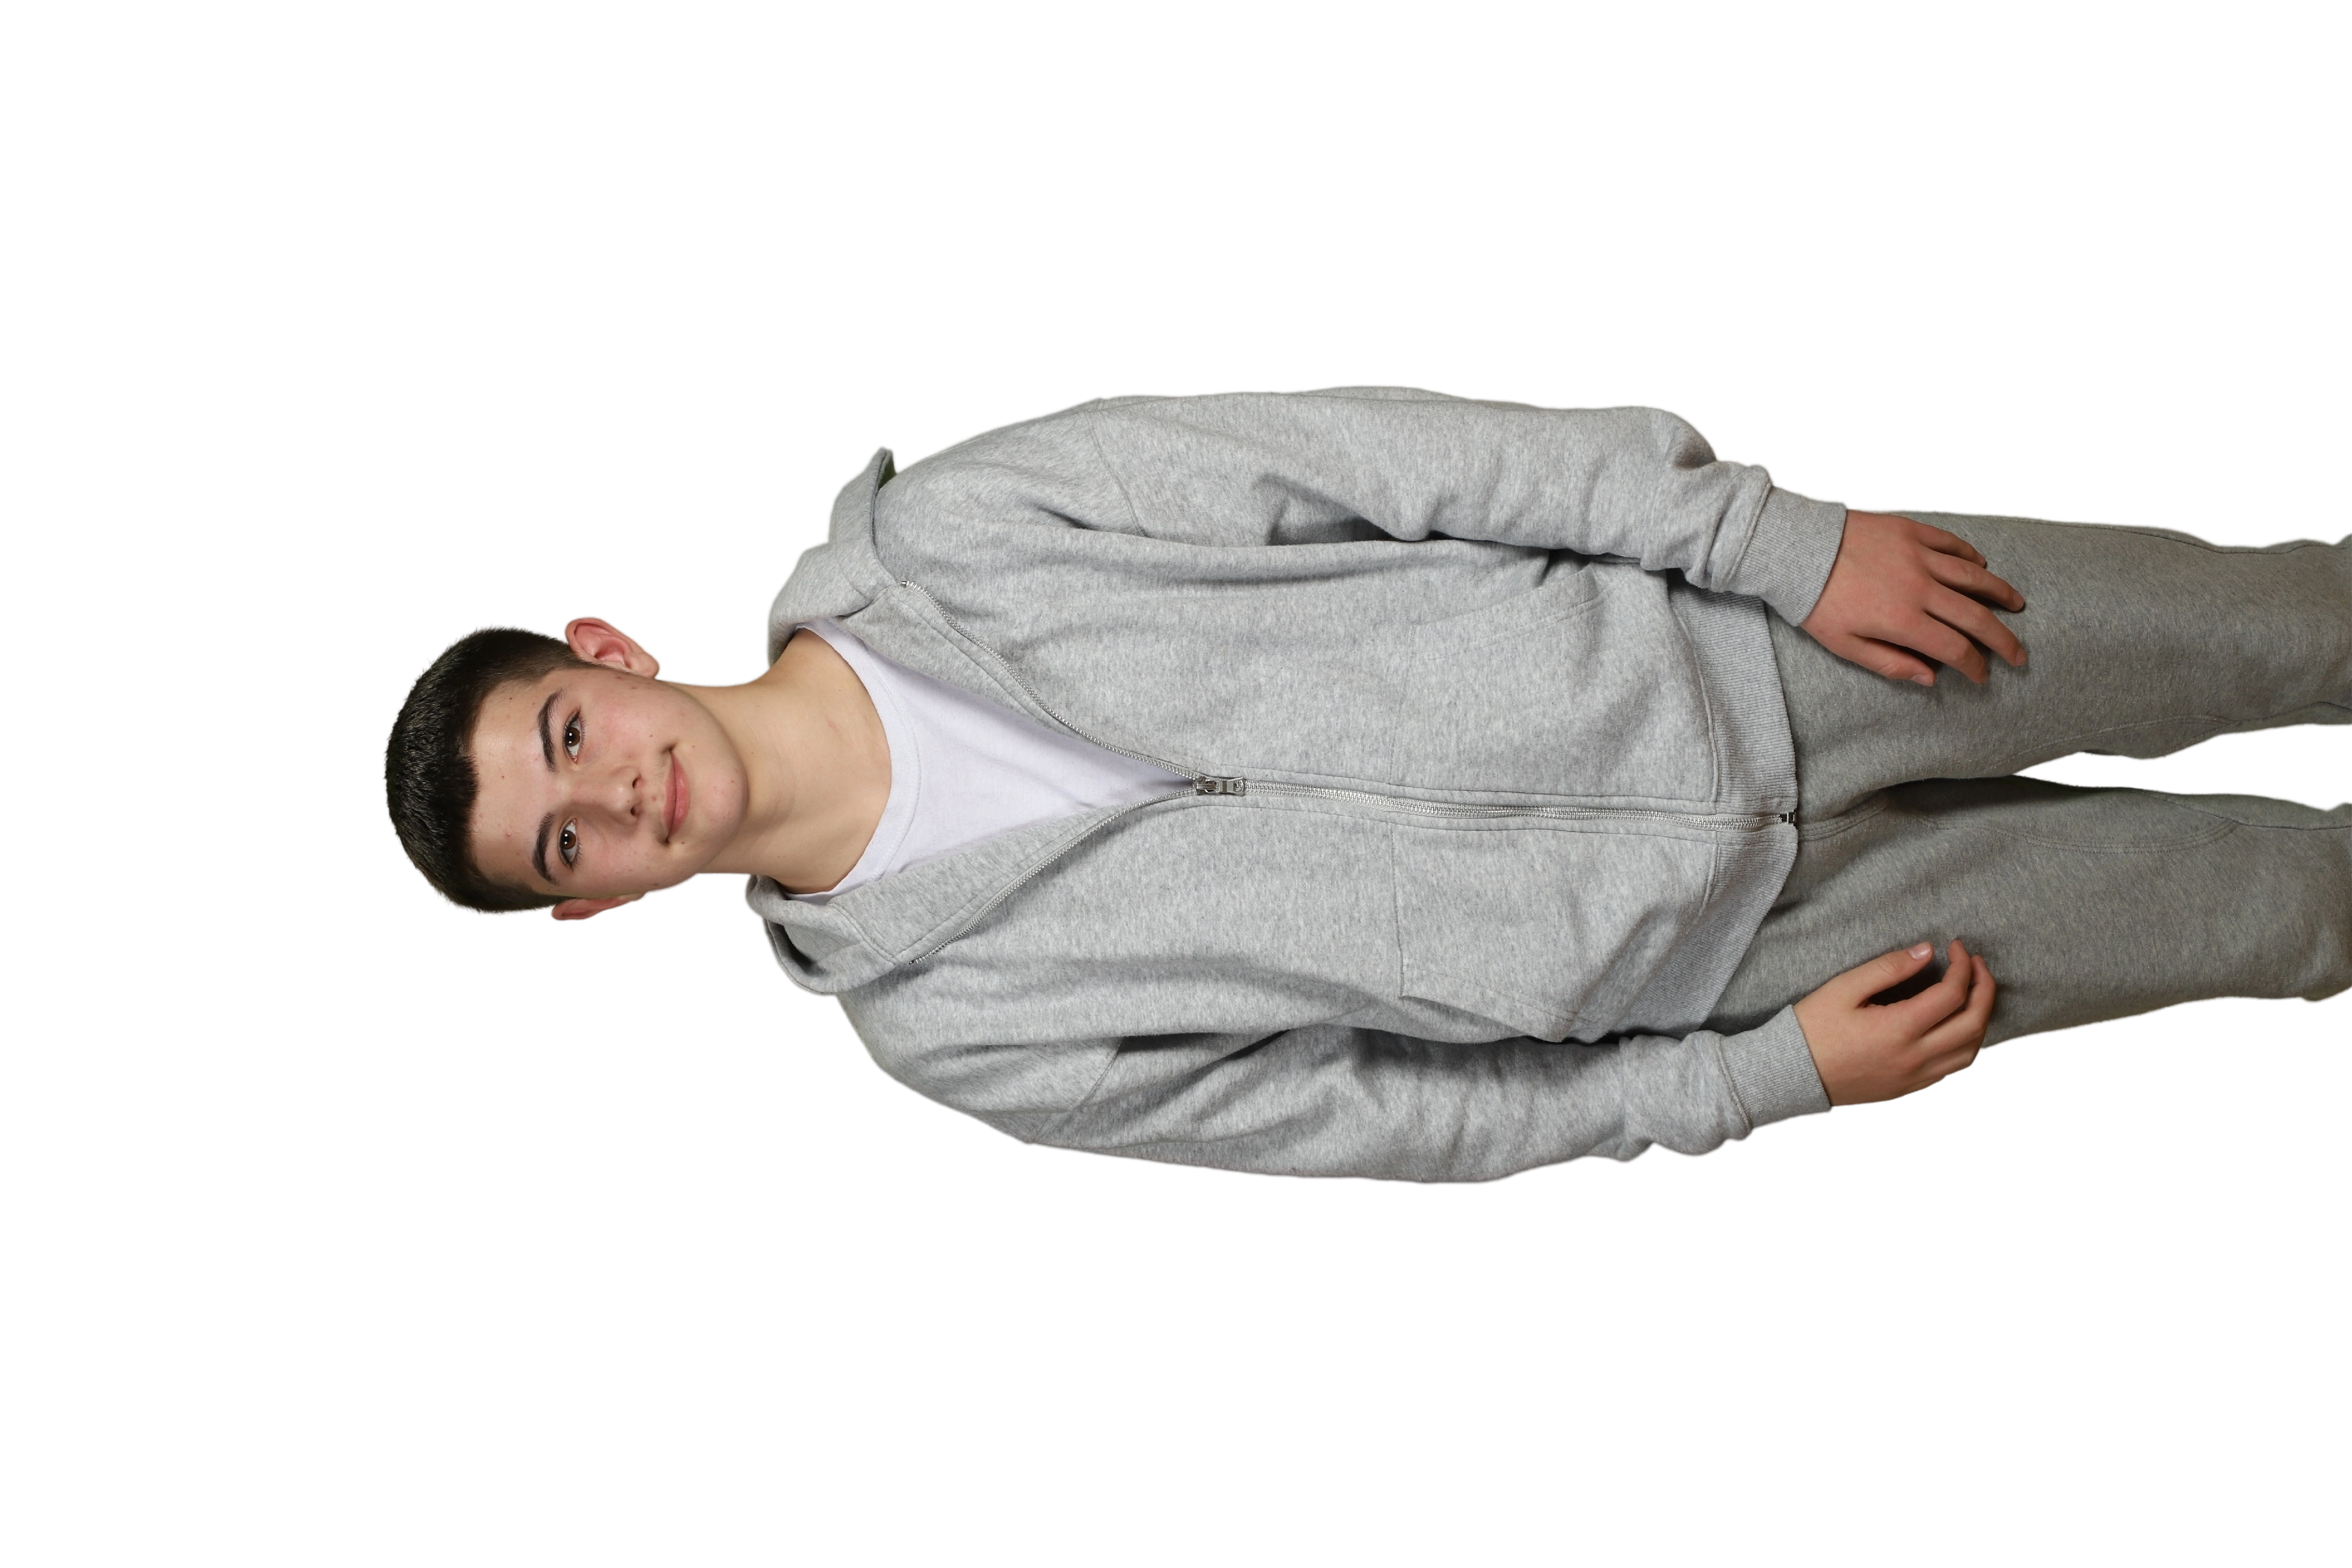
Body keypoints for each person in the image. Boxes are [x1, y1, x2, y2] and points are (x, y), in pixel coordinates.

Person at [380, 382, 2352, 1185]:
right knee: (2288, 920)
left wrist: (1774, 542)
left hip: (1762, 644)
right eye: (565, 845)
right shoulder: (948, 1033)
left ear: (606, 658)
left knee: (2282, 632)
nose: (614, 799)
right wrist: (1756, 1080)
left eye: (568, 740)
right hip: (1756, 967)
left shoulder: (966, 528)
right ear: (597, 902)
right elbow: (1380, 1122)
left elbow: (1393, 461)